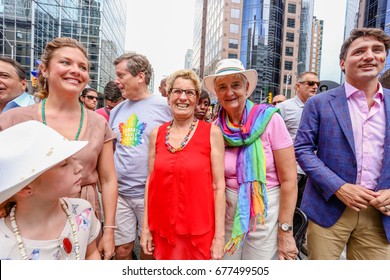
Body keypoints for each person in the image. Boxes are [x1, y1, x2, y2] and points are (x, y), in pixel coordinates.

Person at [0, 37, 118, 260]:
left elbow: (109, 179)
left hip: (84, 214)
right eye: (66, 63)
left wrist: (110, 230)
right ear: (44, 70)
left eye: (82, 67)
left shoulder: (99, 123)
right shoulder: (13, 119)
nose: (75, 71)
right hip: (27, 217)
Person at [295, 28, 390, 260]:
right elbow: (303, 149)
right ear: (342, 63)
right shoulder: (319, 103)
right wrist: (339, 187)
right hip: (328, 208)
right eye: (359, 51)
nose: (369, 56)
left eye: (377, 50)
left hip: (380, 212)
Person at [203, 58, 298, 260]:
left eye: (236, 85)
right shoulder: (214, 129)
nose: (229, 92)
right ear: (217, 94)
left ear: (247, 88)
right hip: (226, 214)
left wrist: (285, 231)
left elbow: (290, 180)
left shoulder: (271, 120)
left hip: (265, 214)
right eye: (222, 87)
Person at [140, 69, 226, 260]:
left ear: (196, 98)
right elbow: (151, 182)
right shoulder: (156, 134)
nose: (183, 98)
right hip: (162, 230)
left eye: (189, 92)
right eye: (177, 91)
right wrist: (145, 228)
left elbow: (219, 187)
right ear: (168, 96)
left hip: (199, 232)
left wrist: (219, 238)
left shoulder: (212, 133)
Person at [0, 120, 101, 260]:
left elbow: (91, 253)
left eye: (74, 159)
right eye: (64, 164)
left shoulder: (82, 211)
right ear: (26, 187)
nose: (79, 167)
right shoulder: (4, 246)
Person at [110, 53, 171, 260]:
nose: (116, 81)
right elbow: (112, 150)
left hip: (152, 195)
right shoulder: (116, 110)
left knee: (149, 249)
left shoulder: (166, 107)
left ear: (140, 76)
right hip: (120, 194)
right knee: (121, 250)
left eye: (121, 75)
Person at [276, 71, 319, 207]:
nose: (315, 87)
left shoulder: (320, 107)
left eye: (318, 84)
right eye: (310, 83)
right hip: (292, 172)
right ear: (298, 86)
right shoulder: (283, 107)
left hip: (314, 173)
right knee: (290, 211)